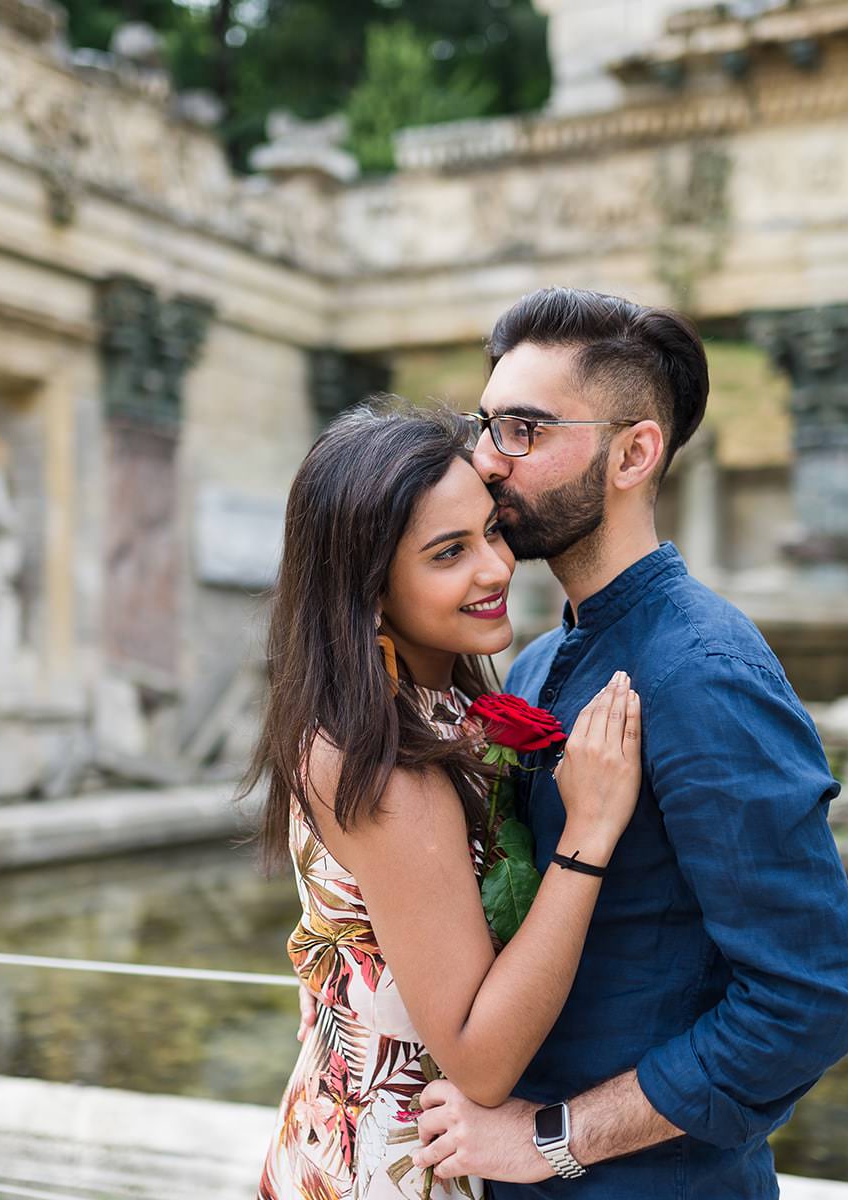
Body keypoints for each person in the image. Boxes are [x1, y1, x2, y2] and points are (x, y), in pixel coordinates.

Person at [411, 287, 848, 1197]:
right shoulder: (537, 662)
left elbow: (811, 998)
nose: (486, 461)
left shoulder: (704, 671)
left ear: (633, 453)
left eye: (524, 430)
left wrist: (555, 1138)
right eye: (486, 425)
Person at [246, 403, 645, 1200]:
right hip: (392, 1170)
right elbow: (479, 1058)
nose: (495, 568)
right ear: (370, 588)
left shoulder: (407, 709)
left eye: (491, 532)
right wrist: (589, 836)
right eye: (448, 553)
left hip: (352, 1131)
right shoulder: (387, 764)